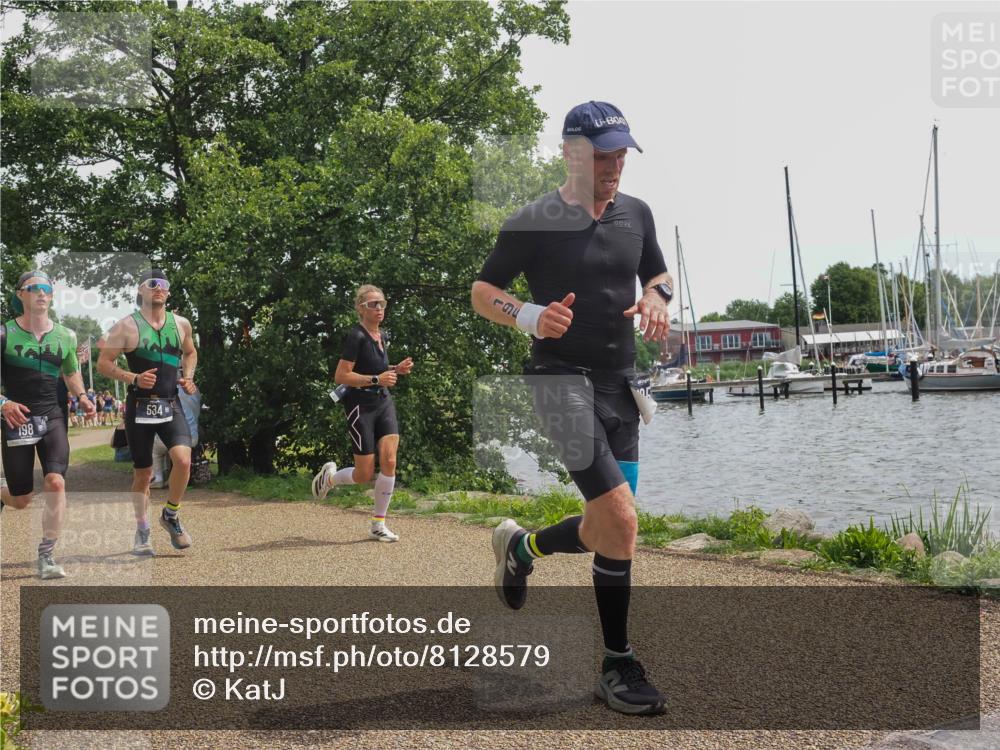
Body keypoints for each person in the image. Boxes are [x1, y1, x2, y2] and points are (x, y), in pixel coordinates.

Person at [471, 102, 672, 715]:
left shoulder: (636, 214)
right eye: (603, 155)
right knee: (623, 521)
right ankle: (617, 664)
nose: (614, 167)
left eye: (621, 155)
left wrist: (658, 299)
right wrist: (531, 316)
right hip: (558, 381)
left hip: (621, 386)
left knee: (606, 526)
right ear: (571, 153)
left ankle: (521, 548)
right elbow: (482, 292)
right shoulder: (534, 221)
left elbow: (659, 274)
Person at [0, 271, 96, 578]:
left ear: (52, 297)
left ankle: (47, 555)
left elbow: (70, 372)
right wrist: (3, 403)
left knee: (56, 482)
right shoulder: (4, 334)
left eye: (47, 289)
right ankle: (3, 493)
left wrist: (82, 396)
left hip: (52, 416)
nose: (42, 293)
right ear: (20, 294)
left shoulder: (66, 336)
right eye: (34, 288)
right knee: (21, 500)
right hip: (16, 418)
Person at [97, 269, 198, 555]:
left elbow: (190, 352)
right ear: (140, 290)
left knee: (184, 460)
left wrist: (188, 376)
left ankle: (171, 514)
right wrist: (133, 378)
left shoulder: (181, 324)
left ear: (169, 292)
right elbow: (103, 363)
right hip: (139, 406)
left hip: (170, 403)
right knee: (143, 474)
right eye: (152, 284)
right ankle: (142, 531)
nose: (159, 288)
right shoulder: (126, 326)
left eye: (164, 284)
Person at [311, 284, 413, 542]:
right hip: (360, 407)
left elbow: (374, 367)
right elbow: (341, 375)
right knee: (364, 474)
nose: (379, 308)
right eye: (373, 304)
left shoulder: (382, 335)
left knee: (389, 460)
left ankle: (378, 524)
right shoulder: (356, 336)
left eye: (382, 303)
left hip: (383, 402)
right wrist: (378, 379)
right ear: (360, 308)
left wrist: (395, 369)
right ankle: (330, 479)